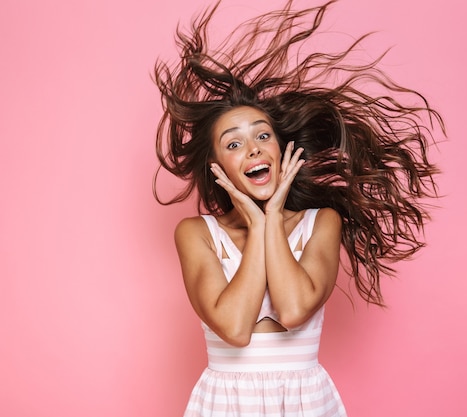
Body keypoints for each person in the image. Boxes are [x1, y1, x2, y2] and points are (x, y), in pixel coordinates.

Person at [153, 1, 443, 416]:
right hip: (225, 403)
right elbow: (234, 329)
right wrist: (255, 221)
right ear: (216, 167)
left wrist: (270, 216)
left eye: (262, 135)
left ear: (280, 147)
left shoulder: (321, 223)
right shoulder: (196, 233)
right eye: (234, 143)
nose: (252, 148)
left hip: (305, 402)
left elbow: (292, 310)